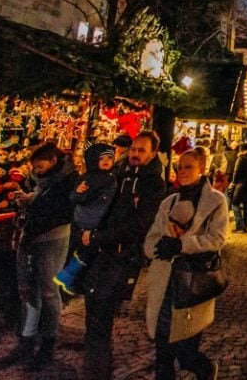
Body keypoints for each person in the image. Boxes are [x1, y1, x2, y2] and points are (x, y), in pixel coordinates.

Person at [81, 131, 167, 380]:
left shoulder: (154, 184)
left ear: (152, 154)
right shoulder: (119, 174)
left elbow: (139, 225)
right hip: (100, 251)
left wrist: (101, 237)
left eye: (142, 151)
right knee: (93, 312)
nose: (136, 154)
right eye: (134, 149)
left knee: (101, 314)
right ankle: (96, 369)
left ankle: (96, 372)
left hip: (122, 255)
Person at [144, 147, 228, 380]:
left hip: (192, 283)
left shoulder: (216, 201)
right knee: (162, 354)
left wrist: (182, 245)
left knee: (185, 352)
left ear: (202, 169)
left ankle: (205, 369)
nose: (182, 171)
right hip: (164, 283)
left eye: (188, 166)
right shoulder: (168, 202)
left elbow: (217, 238)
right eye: (179, 167)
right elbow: (150, 240)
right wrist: (158, 248)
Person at [0, 142, 77, 370]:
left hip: (52, 237)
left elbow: (61, 209)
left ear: (53, 161)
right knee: (27, 291)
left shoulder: (68, 180)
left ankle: (47, 344)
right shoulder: (36, 179)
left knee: (49, 291)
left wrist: (34, 201)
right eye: (35, 167)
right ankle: (26, 340)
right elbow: (35, 198)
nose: (37, 171)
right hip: (29, 237)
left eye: (40, 167)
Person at [54, 142, 119, 294]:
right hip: (90, 220)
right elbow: (76, 198)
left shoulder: (111, 176)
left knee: (86, 251)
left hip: (92, 220)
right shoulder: (90, 178)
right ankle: (68, 275)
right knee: (86, 250)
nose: (106, 161)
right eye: (102, 158)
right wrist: (81, 193)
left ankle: (69, 276)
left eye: (110, 158)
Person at [228, 141, 247, 232]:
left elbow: (236, 172)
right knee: (246, 204)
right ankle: (246, 225)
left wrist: (233, 182)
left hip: (241, 185)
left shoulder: (241, 158)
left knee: (234, 204)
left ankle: (240, 225)